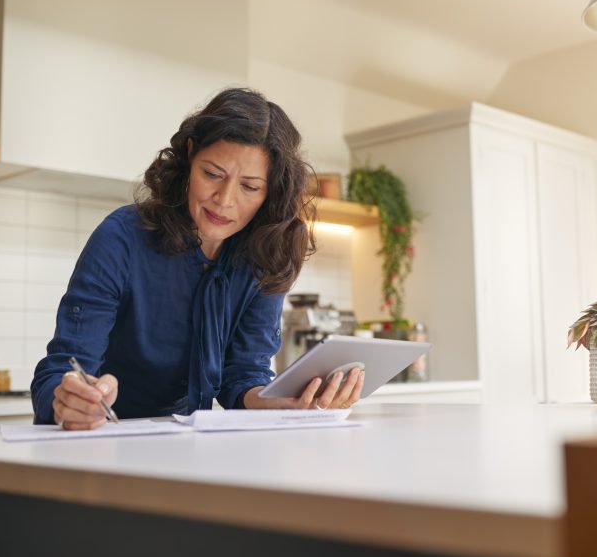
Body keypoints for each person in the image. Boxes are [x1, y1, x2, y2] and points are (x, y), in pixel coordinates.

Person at [31, 88, 364, 429]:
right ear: (191, 155)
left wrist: (281, 401)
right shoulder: (121, 238)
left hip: (191, 445)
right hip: (105, 439)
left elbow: (243, 375)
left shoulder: (269, 253)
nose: (224, 200)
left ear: (271, 192)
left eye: (249, 187)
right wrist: (69, 399)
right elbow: (61, 371)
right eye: (212, 174)